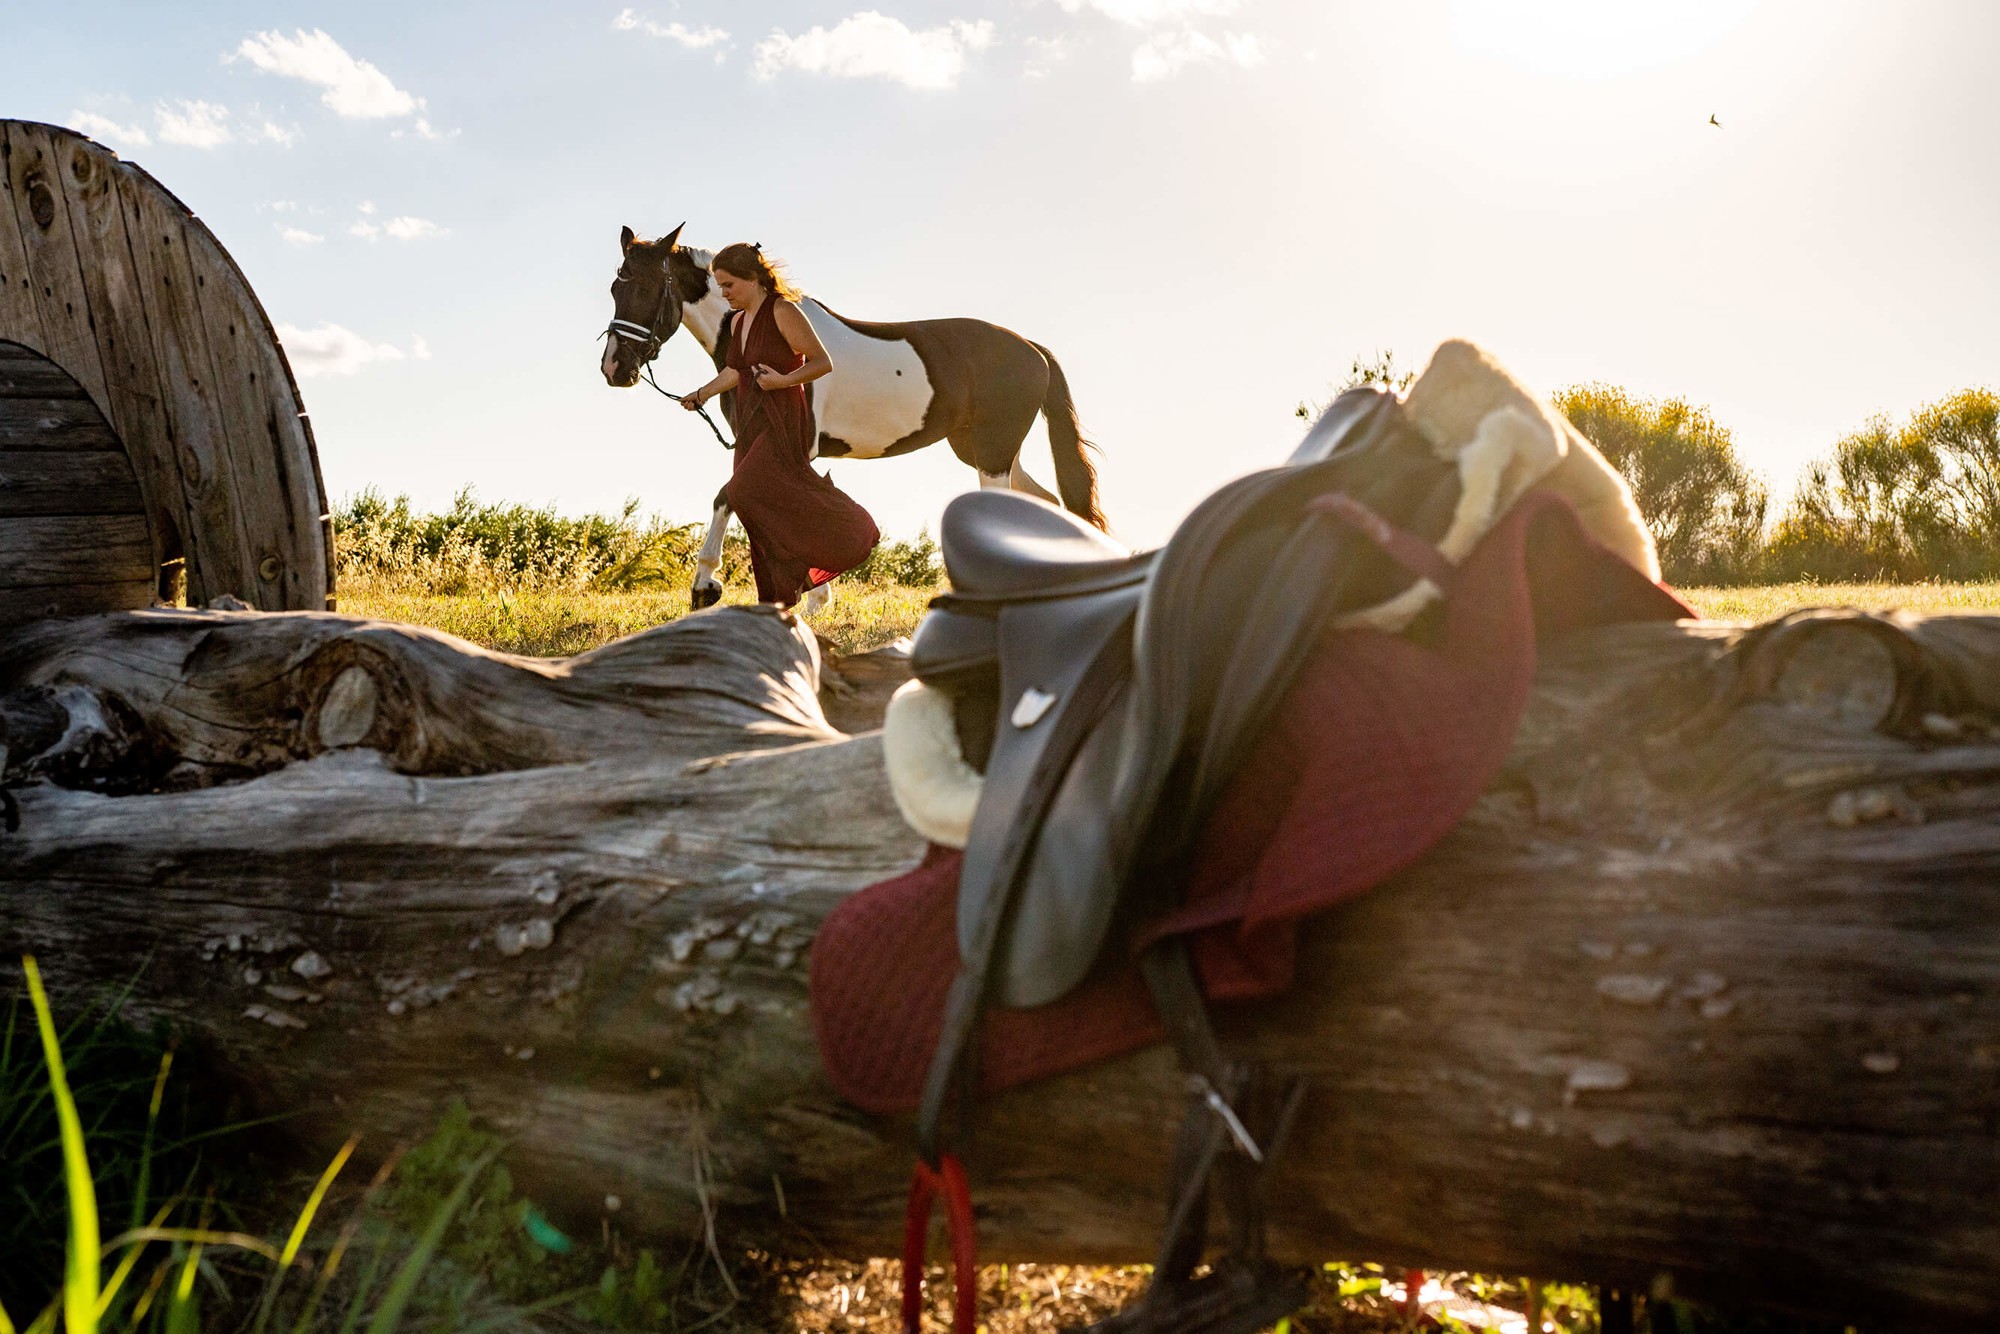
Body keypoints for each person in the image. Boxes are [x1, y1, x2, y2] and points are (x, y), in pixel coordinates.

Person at [681, 243, 879, 607]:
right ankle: (775, 600)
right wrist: (701, 393)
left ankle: (850, 529)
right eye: (720, 287)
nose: (723, 295)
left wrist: (783, 382)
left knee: (743, 490)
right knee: (755, 501)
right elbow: (735, 370)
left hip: (782, 419)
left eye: (728, 286)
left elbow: (822, 362)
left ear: (752, 279)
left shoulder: (784, 311)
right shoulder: (738, 321)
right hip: (750, 421)